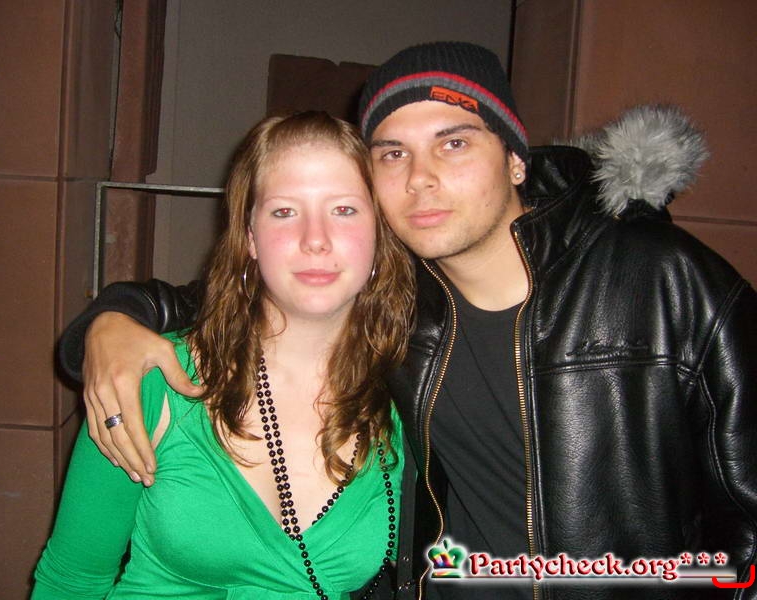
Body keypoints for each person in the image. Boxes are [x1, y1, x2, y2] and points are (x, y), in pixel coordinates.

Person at [58, 42, 757, 600]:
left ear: (516, 160)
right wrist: (109, 322)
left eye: (453, 143)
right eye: (393, 153)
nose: (421, 177)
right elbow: (242, 297)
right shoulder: (406, 309)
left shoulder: (661, 279)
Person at [33, 111, 416, 599]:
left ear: (380, 233)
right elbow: (71, 581)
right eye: (284, 212)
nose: (315, 239)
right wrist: (107, 320)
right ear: (250, 237)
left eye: (344, 209)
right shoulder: (151, 380)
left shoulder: (409, 399)